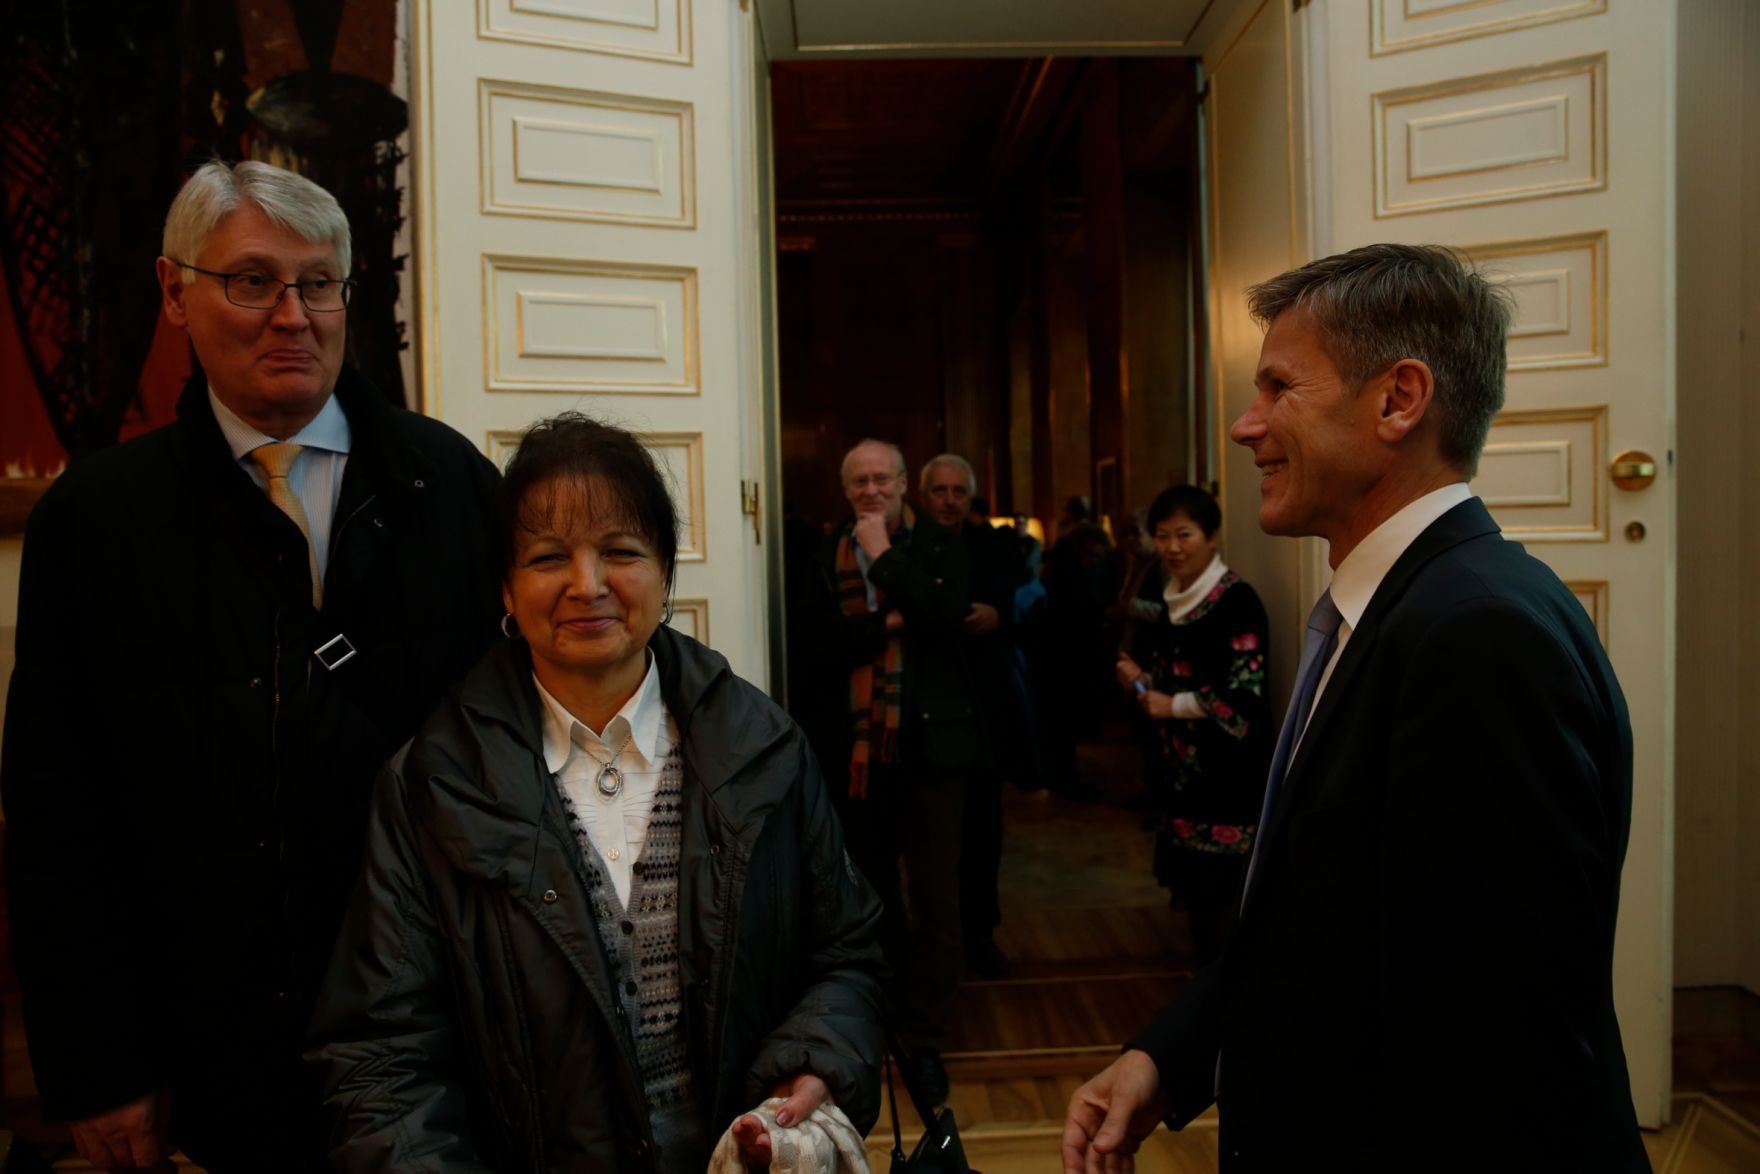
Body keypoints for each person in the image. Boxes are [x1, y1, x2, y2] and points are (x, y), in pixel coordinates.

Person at [1063, 244, 1647, 1171]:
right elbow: (1325, 926)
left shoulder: (1477, 635)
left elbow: (1485, 1041)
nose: (1246, 425)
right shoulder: (1400, 611)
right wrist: (1169, 1057)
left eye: (1279, 388)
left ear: (1398, 400)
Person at [0, 160, 503, 1171]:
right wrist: (98, 1069)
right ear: (174, 291)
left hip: (439, 1051)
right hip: (203, 1058)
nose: (293, 315)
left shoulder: (450, 487)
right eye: (252, 280)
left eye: (320, 283)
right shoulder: (96, 523)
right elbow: (58, 818)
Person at [307, 413, 885, 1171]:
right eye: (549, 557)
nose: (588, 585)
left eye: (620, 551)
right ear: (507, 592)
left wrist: (817, 1058)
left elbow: (848, 952)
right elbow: (381, 1051)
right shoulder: (432, 784)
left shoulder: (764, 748)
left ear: (665, 574)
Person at [790, 438, 980, 1104]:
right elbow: (815, 646)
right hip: (856, 754)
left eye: (882, 479)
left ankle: (926, 1036)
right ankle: (882, 1014)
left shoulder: (939, 543)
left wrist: (885, 560)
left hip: (929, 749)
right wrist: (892, 620)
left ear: (904, 485)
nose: (871, 490)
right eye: (859, 482)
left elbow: (946, 614)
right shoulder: (821, 556)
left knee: (936, 900)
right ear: (846, 491)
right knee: (870, 896)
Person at [1113, 486, 1271, 965]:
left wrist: (1171, 704)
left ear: (1212, 536)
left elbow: (1244, 697)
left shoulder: (1237, 601)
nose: (1173, 548)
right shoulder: (1171, 599)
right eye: (1162, 536)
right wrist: (1140, 683)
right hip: (1183, 780)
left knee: (1223, 906)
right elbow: (1168, 683)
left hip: (1227, 781)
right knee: (1199, 910)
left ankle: (1222, 1018)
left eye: (1185, 535)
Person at [920, 453, 1031, 979]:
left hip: (985, 709)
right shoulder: (910, 548)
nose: (948, 500)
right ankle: (933, 946)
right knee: (932, 842)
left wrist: (1000, 614)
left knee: (984, 828)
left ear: (970, 496)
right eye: (939, 491)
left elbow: (1023, 608)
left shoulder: (992, 545)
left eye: (957, 491)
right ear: (924, 496)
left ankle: (980, 934)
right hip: (928, 712)